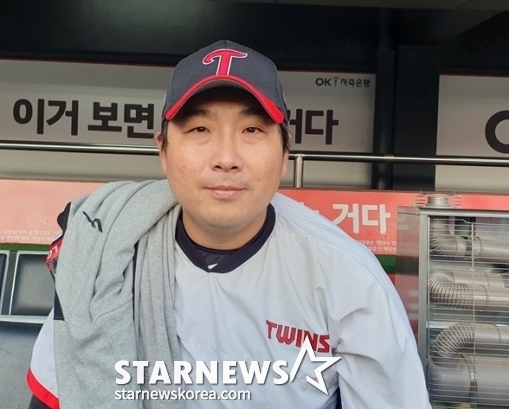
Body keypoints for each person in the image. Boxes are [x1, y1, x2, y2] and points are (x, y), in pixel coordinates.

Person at [27, 40, 431, 409]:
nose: (226, 158)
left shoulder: (350, 278)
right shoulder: (107, 255)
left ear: (285, 154)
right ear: (163, 151)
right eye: (199, 129)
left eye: (252, 129)